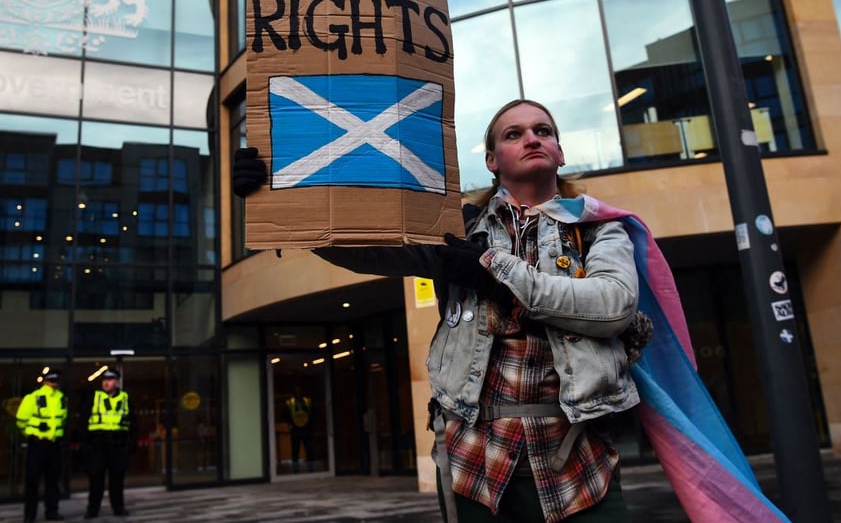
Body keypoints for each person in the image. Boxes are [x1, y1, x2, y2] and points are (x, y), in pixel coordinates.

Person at [233, 99, 653, 522]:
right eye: (514, 134)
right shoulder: (456, 228)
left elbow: (613, 304)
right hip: (473, 467)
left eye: (543, 131)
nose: (532, 138)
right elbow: (368, 251)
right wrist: (275, 201)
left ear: (559, 152)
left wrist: (495, 274)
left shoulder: (598, 227)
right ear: (491, 160)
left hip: (579, 467)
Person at [17, 369, 68, 522]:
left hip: (53, 445)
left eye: (55, 381)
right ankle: (30, 514)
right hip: (38, 444)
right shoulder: (33, 398)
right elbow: (21, 420)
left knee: (52, 481)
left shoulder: (62, 399)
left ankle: (50, 512)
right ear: (45, 381)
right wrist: (31, 434)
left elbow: (62, 420)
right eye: (52, 381)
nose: (54, 384)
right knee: (34, 481)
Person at [83, 369, 135, 519]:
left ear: (117, 382)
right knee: (96, 480)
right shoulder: (94, 397)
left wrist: (130, 445)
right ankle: (92, 509)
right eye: (104, 379)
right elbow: (84, 422)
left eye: (110, 379)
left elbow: (133, 423)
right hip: (98, 445)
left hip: (118, 445)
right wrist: (85, 444)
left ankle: (118, 508)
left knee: (117, 480)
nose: (106, 382)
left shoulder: (125, 398)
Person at [285, 385, 313, 469]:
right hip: (295, 428)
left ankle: (311, 467)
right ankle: (295, 468)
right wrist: (291, 424)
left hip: (305, 428)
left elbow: (311, 413)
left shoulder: (307, 401)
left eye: (300, 390)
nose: (298, 392)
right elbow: (286, 415)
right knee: (295, 449)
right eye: (296, 390)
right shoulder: (290, 402)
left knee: (308, 448)